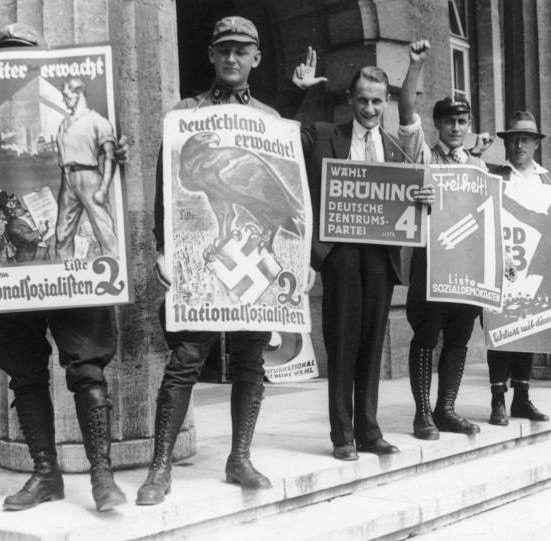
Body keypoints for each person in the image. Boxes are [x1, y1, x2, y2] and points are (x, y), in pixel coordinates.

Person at [139, 16, 324, 503]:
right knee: (185, 359)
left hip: (253, 260)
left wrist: (301, 256)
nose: (231, 58)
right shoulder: (185, 115)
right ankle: (160, 467)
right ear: (211, 55)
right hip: (199, 261)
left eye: (242, 50)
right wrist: (163, 247)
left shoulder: (270, 117)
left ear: (256, 59)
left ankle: (239, 456)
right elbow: (166, 188)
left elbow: (295, 182)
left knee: (248, 361)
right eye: (223, 49)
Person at [0, 22, 129, 512]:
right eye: (5, 55)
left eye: (22, 55)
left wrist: (116, 157)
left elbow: (96, 158)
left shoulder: (72, 113)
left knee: (86, 365)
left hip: (65, 268)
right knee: (23, 371)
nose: (13, 62)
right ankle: (46, 474)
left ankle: (102, 478)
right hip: (8, 274)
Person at [301, 59, 435, 459]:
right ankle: (343, 435)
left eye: (377, 102)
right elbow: (289, 139)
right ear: (349, 99)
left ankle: (369, 431)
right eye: (362, 100)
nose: (370, 109)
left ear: (386, 103)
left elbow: (416, 195)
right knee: (342, 342)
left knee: (372, 344)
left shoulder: (396, 148)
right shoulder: (327, 135)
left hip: (381, 256)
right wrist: (303, 92)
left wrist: (424, 199)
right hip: (340, 253)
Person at [396, 39, 480, 440]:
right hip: (431, 266)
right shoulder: (424, 155)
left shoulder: (478, 166)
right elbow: (406, 113)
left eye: (462, 122)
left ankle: (446, 408)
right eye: (449, 122)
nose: (456, 128)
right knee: (427, 336)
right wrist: (416, 67)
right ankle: (422, 412)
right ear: (439, 125)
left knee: (460, 338)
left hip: (467, 268)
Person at [485, 111, 551, 426]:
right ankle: (497, 399)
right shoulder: (495, 175)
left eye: (525, 140)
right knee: (501, 332)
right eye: (514, 139)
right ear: (507, 143)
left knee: (529, 330)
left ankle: (522, 397)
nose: (519, 145)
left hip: (535, 268)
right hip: (502, 266)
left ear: (535, 144)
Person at [55, 77, 119, 260]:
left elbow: (110, 156)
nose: (63, 100)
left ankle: (114, 273)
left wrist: (103, 188)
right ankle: (64, 278)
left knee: (105, 233)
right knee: (62, 235)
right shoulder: (64, 123)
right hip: (67, 180)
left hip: (89, 178)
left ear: (78, 94)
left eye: (66, 96)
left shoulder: (97, 121)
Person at [0, 191, 49, 262]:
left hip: (44, 251)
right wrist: (40, 232)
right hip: (30, 258)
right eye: (11, 203)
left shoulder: (29, 212)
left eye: (14, 199)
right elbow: (27, 238)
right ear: (8, 211)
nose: (16, 202)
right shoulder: (12, 225)